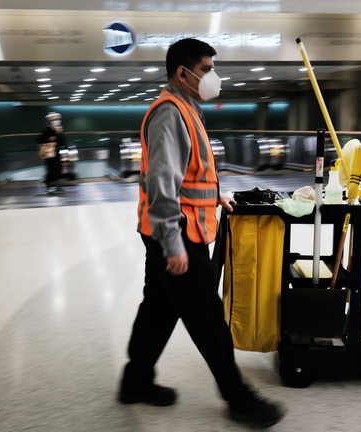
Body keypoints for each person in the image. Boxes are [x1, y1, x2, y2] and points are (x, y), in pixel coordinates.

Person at [117, 38, 285, 429]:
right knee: (207, 315)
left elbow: (189, 174)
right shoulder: (170, 114)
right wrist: (172, 244)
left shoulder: (188, 109)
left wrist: (214, 197)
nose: (213, 76)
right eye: (206, 69)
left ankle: (135, 381)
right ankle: (239, 399)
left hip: (173, 228)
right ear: (183, 73)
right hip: (176, 233)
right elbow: (162, 184)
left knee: (159, 309)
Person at [36, 112, 67, 193]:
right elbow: (40, 139)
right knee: (52, 169)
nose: (56, 120)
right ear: (50, 120)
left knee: (58, 169)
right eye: (54, 119)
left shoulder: (59, 128)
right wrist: (49, 139)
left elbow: (63, 141)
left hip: (57, 153)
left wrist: (65, 151)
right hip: (50, 154)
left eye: (57, 119)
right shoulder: (47, 129)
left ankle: (50, 183)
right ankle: (54, 185)